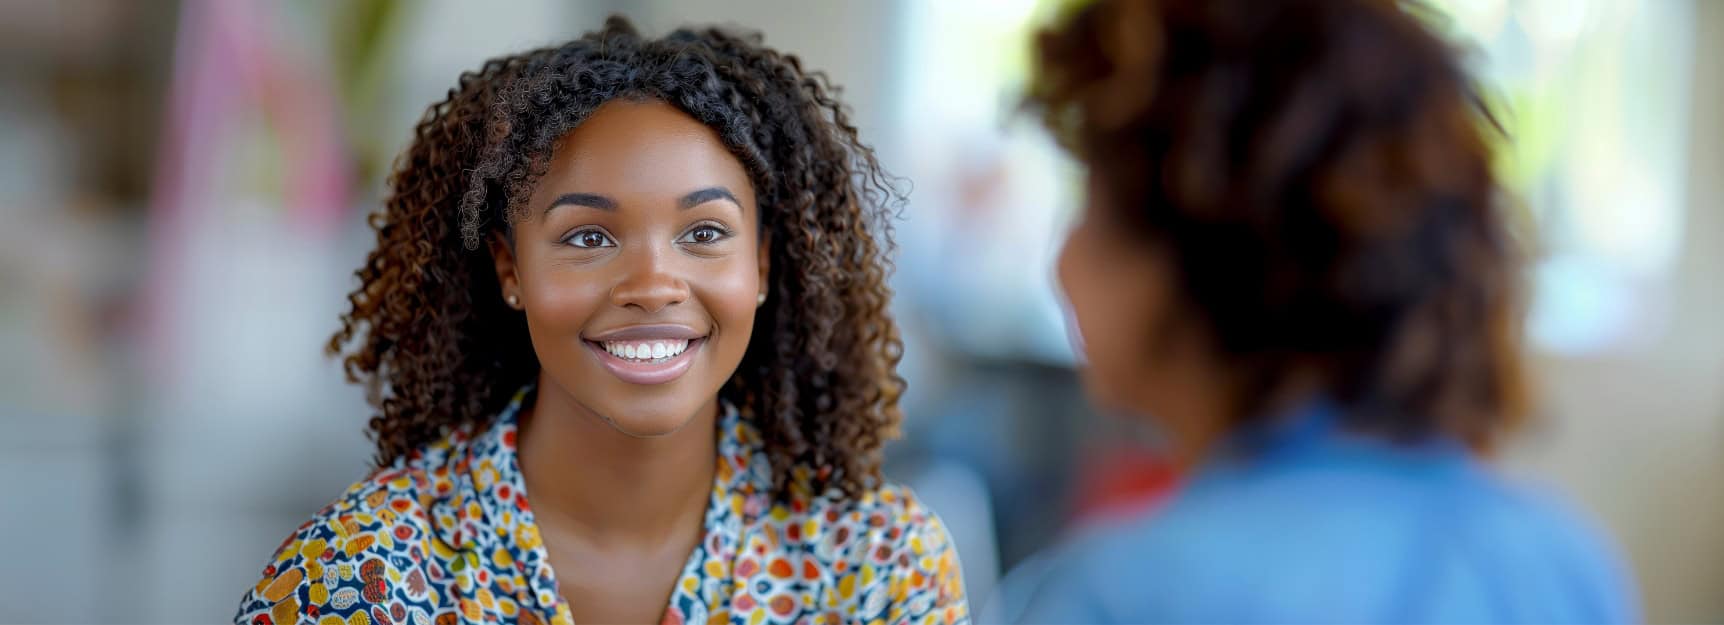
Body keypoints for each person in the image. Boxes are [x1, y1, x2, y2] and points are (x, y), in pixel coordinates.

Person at [235, 17, 965, 625]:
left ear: (765, 264)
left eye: (705, 232)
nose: (653, 285)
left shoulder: (880, 567)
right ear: (510, 268)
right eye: (588, 237)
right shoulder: (359, 577)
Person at [993, 0, 1638, 622]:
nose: (1062, 260)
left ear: (1206, 255)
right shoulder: (1564, 570)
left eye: (1093, 205)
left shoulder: (1121, 595)